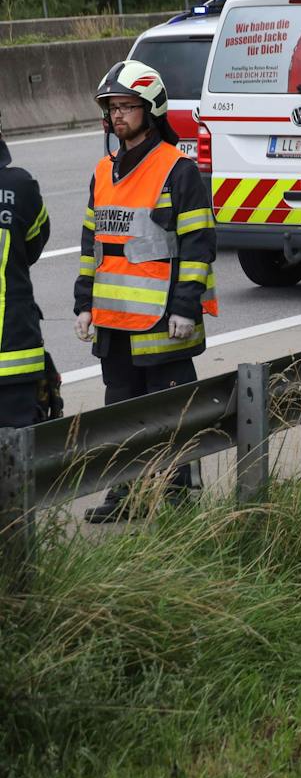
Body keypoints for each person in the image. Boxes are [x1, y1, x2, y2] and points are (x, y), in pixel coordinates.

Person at [76, 61, 219, 522]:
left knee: (172, 411)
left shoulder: (178, 170)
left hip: (164, 322)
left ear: (151, 109)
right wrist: (84, 304)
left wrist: (185, 306)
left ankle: (178, 496)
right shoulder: (103, 171)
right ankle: (125, 495)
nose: (118, 116)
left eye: (127, 107)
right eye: (112, 108)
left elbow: (198, 244)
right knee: (119, 412)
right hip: (115, 321)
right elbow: (92, 245)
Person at [0, 110, 50, 429]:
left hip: (16, 358)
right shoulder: (20, 185)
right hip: (15, 353)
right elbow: (34, 244)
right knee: (19, 464)